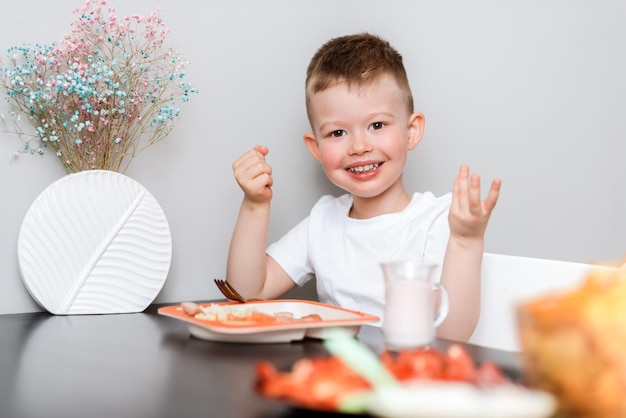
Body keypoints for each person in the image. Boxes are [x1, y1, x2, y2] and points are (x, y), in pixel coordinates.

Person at [226, 33, 501, 342]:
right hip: (336, 380)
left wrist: (466, 241)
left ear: (411, 131)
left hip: (407, 380)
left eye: (377, 126)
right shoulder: (323, 221)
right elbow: (245, 296)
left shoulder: (438, 220)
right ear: (315, 147)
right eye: (338, 132)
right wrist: (254, 205)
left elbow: (452, 334)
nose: (358, 146)